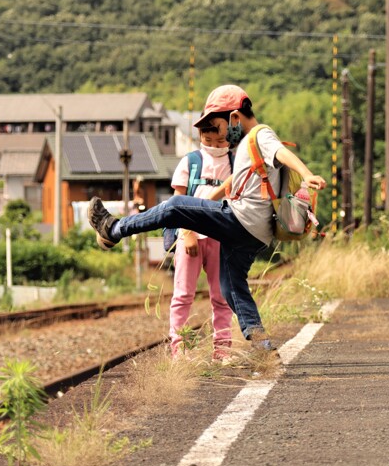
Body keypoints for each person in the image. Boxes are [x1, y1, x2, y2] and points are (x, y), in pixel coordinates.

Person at [88, 85, 327, 351]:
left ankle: (114, 229)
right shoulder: (245, 151)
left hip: (243, 220)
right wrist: (200, 210)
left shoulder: (260, 134)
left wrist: (306, 174)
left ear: (235, 117)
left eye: (218, 126)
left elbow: (282, 152)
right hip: (257, 234)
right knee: (231, 286)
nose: (219, 135)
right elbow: (231, 183)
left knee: (175, 205)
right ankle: (263, 347)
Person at [168, 122, 233, 360]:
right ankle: (180, 349)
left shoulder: (234, 163)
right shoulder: (190, 161)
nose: (215, 146)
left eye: (220, 142)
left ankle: (223, 350)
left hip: (221, 237)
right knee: (183, 294)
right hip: (191, 237)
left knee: (222, 295)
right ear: (200, 136)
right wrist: (187, 233)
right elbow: (178, 202)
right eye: (209, 141)